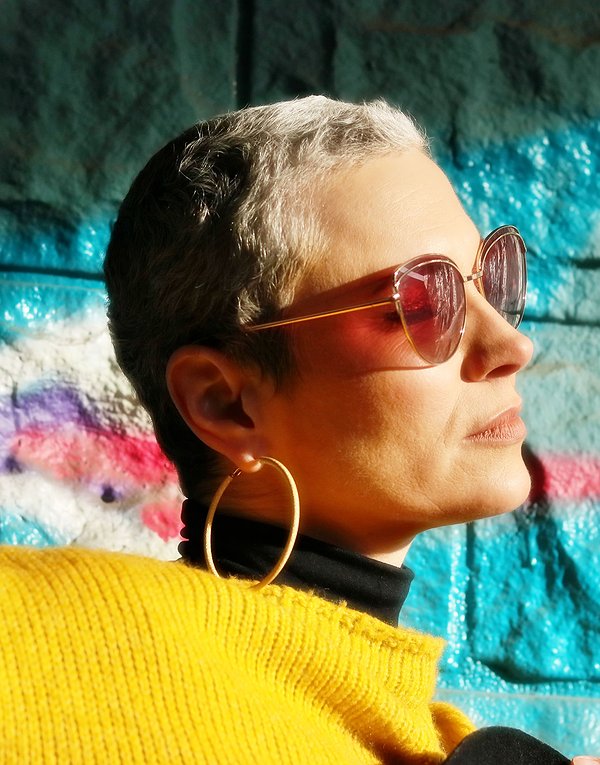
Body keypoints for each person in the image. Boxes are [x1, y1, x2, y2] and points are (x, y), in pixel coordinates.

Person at [0, 96, 593, 764]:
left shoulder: (438, 744)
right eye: (422, 304)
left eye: (491, 280)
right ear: (226, 404)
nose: (512, 346)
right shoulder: (65, 642)